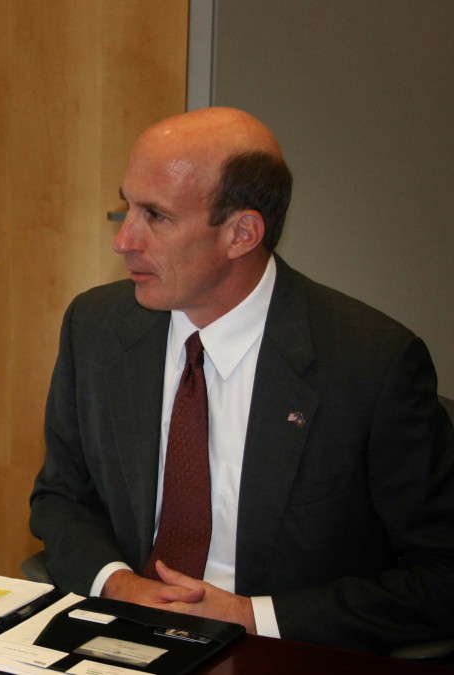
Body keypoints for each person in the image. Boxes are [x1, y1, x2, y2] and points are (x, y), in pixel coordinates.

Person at [29, 107, 454, 656]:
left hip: (282, 649)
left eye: (156, 216)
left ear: (242, 233)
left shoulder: (371, 363)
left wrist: (251, 616)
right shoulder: (97, 326)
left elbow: (443, 573)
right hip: (121, 639)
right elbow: (62, 497)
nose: (125, 240)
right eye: (125, 206)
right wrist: (118, 583)